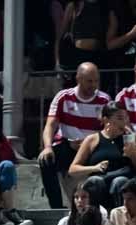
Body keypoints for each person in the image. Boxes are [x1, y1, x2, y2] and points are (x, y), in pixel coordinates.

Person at [41, 62, 111, 210]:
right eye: (89, 81)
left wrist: (89, 143)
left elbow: (108, 130)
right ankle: (56, 207)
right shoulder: (63, 97)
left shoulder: (104, 100)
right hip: (68, 145)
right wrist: (47, 147)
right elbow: (50, 124)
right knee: (46, 160)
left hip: (92, 148)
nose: (93, 85)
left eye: (96, 80)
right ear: (78, 79)